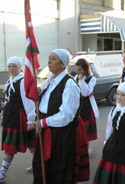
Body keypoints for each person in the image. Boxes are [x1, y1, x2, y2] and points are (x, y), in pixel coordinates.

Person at [33, 49, 89, 184]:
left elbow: (67, 115)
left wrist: (44, 122)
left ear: (63, 63)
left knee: (58, 169)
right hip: (47, 129)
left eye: (53, 59)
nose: (49, 61)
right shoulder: (51, 80)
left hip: (60, 133)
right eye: (49, 58)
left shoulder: (69, 84)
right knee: (41, 166)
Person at [0, 57, 36, 183]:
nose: (11, 69)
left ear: (20, 67)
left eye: (14, 66)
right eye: (9, 66)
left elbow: (28, 101)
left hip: (20, 117)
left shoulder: (22, 81)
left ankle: (2, 174)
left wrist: (31, 120)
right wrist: (3, 117)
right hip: (11, 116)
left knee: (30, 146)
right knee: (28, 145)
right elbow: (7, 100)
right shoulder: (11, 79)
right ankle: (37, 165)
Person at [75, 58, 99, 157]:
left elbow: (86, 93)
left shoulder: (92, 79)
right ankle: (79, 148)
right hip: (78, 105)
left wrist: (81, 81)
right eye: (77, 70)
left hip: (87, 106)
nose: (78, 72)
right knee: (78, 129)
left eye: (80, 70)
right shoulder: (76, 77)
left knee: (85, 130)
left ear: (85, 69)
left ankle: (87, 148)